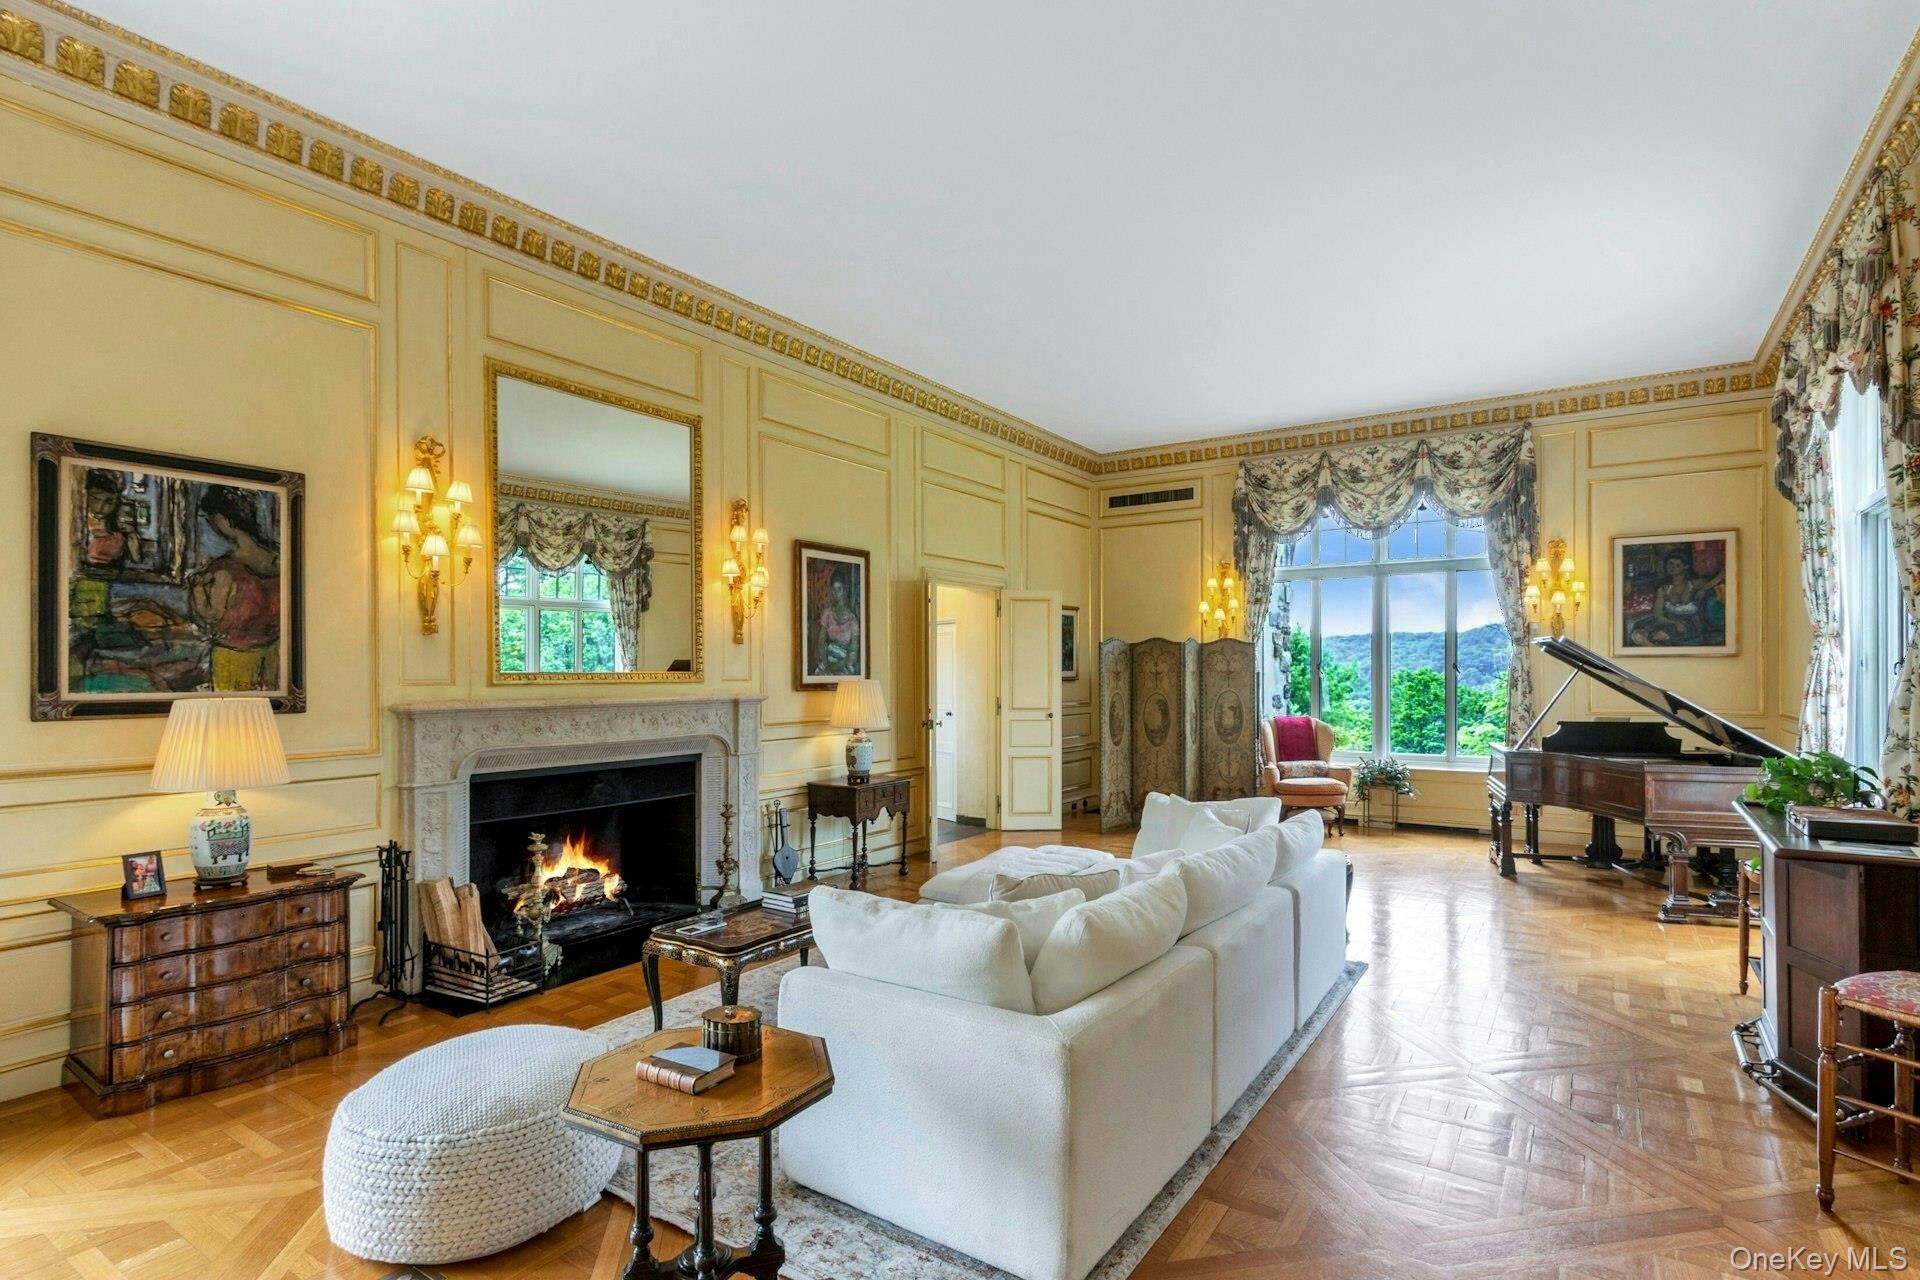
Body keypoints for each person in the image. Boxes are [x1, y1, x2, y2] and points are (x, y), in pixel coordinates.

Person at [188, 486, 280, 690]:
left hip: (234, 657)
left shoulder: (224, 570)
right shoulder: (281, 561)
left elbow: (211, 616)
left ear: (222, 520)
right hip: (273, 653)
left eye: (210, 517)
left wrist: (196, 589)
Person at [1630, 548, 1724, 646]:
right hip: (1669, 621)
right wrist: (1674, 622)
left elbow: (1717, 579)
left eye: (1677, 565)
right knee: (1637, 634)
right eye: (1670, 563)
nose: (1672, 567)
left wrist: (1703, 590)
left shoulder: (1695, 584)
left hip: (1690, 623)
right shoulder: (1663, 589)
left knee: (1660, 635)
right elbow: (1658, 615)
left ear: (1686, 566)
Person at [812, 565, 861, 676]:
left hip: (845, 663)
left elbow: (853, 652)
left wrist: (838, 665)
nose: (836, 593)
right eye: (834, 589)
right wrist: (826, 663)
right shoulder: (827, 613)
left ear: (844, 590)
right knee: (819, 675)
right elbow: (821, 641)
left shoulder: (852, 620)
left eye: (839, 589)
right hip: (828, 658)